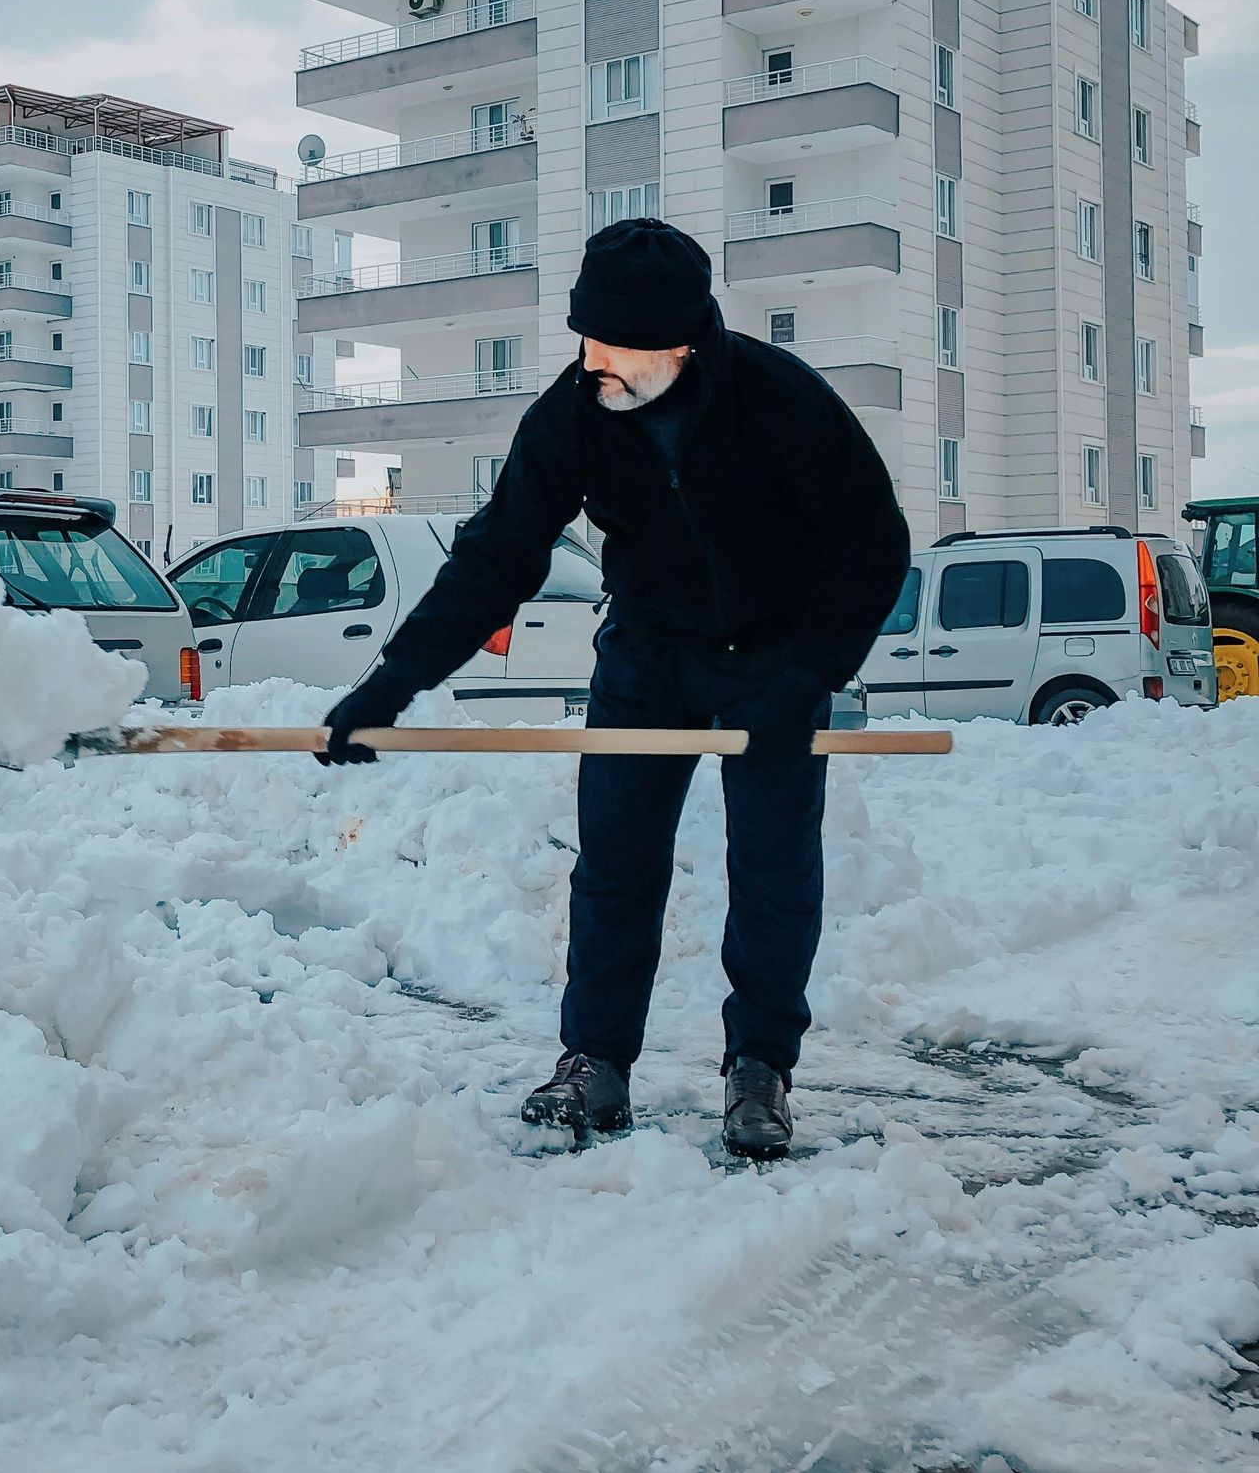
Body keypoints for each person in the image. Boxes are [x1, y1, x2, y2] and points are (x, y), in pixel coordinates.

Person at [319, 218, 910, 1158]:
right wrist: (389, 684)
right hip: (646, 653)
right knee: (614, 866)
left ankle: (759, 1067)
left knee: (771, 869)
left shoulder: (781, 402)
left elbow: (874, 544)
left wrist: (807, 673)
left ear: (681, 344)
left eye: (617, 349)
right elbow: (496, 557)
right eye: (586, 341)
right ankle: (595, 1062)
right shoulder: (572, 416)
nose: (596, 364)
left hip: (773, 657)